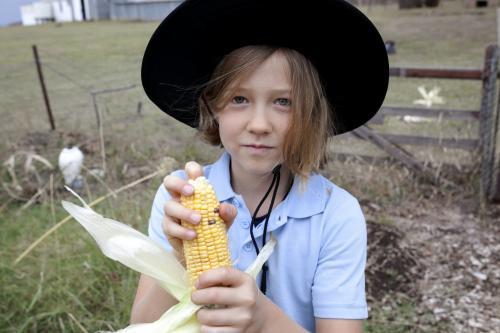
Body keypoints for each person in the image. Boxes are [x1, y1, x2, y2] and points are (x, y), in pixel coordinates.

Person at [131, 0, 389, 332]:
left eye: (283, 102)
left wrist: (263, 319)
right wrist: (179, 258)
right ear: (213, 107)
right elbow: (142, 324)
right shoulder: (180, 202)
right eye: (239, 99)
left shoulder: (336, 214)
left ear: (310, 115)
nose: (259, 124)